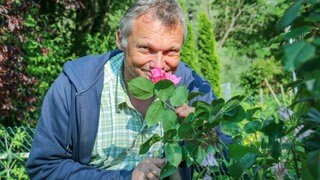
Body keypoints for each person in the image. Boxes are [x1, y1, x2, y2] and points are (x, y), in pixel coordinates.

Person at [26, 0, 226, 179]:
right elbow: (44, 168)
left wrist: (209, 140)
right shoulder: (77, 87)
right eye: (146, 49)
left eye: (170, 51)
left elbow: (227, 166)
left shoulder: (194, 90)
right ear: (121, 39)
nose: (158, 64)